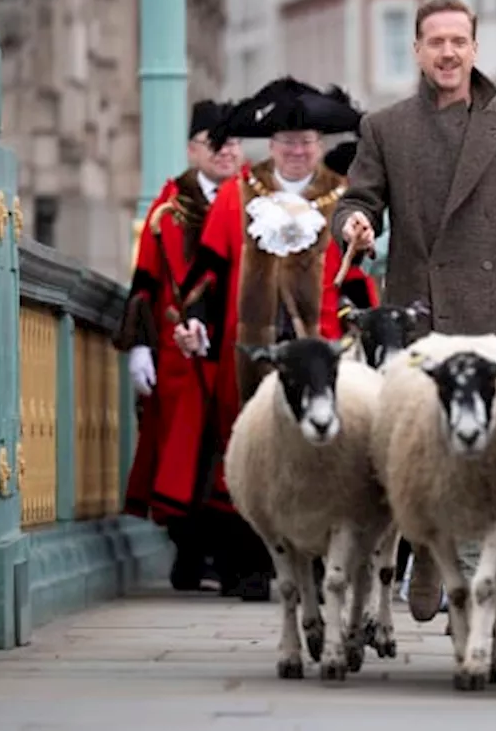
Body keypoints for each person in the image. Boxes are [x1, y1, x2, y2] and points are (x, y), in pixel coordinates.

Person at [331, 0, 496, 622]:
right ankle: (429, 551)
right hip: (420, 316)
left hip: (495, 317)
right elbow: (357, 202)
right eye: (436, 41)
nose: (448, 52)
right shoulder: (386, 127)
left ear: (474, 48)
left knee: (488, 455)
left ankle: (466, 576)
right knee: (421, 449)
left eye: (458, 40)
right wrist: (354, 225)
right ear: (417, 50)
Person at [172, 77, 379, 600]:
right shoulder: (240, 194)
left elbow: (356, 279)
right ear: (272, 146)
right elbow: (208, 271)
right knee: (252, 451)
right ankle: (251, 564)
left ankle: (321, 559)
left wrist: (363, 325)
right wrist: (194, 318)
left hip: (321, 345)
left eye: (306, 142)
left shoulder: (340, 198)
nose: (296, 151)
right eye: (286, 143)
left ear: (319, 144)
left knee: (323, 449)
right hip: (250, 345)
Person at [115, 99, 242, 593]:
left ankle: (231, 558)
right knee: (181, 453)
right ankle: (188, 554)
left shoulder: (255, 200)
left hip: (231, 344)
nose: (227, 151)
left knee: (231, 451)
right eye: (216, 142)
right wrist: (140, 347)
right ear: (193, 149)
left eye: (232, 142)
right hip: (179, 353)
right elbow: (144, 281)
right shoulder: (168, 207)